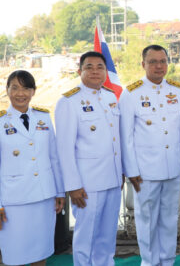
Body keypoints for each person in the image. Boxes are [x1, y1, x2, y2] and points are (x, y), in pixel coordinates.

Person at [0, 70, 64, 266]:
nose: (21, 94)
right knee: (16, 253)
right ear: (7, 90)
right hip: (14, 201)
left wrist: (60, 191)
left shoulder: (44, 118)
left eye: (26, 88)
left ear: (33, 91)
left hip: (44, 197)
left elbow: (54, 159)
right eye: (15, 88)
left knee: (41, 249)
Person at [119, 45, 180, 266]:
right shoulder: (131, 93)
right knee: (146, 220)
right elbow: (126, 136)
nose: (159, 66)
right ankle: (149, 262)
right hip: (145, 170)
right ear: (143, 64)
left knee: (169, 219)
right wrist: (131, 170)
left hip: (172, 167)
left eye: (163, 61)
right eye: (153, 62)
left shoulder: (176, 90)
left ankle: (167, 261)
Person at [55, 51, 123, 266]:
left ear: (106, 71)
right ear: (80, 71)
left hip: (112, 179)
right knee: (86, 236)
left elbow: (116, 140)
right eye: (89, 67)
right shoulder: (69, 101)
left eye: (100, 67)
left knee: (107, 235)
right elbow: (64, 148)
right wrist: (73, 185)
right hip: (87, 184)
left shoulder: (110, 97)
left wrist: (121, 172)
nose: (95, 71)